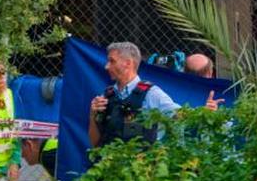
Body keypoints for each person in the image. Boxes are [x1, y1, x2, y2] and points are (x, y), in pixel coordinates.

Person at [88, 41, 220, 150]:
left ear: (128, 63)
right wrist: (93, 114)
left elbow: (179, 115)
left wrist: (204, 112)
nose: (106, 66)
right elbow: (94, 144)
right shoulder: (106, 96)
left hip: (141, 175)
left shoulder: (151, 94)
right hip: (109, 173)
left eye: (112, 61)